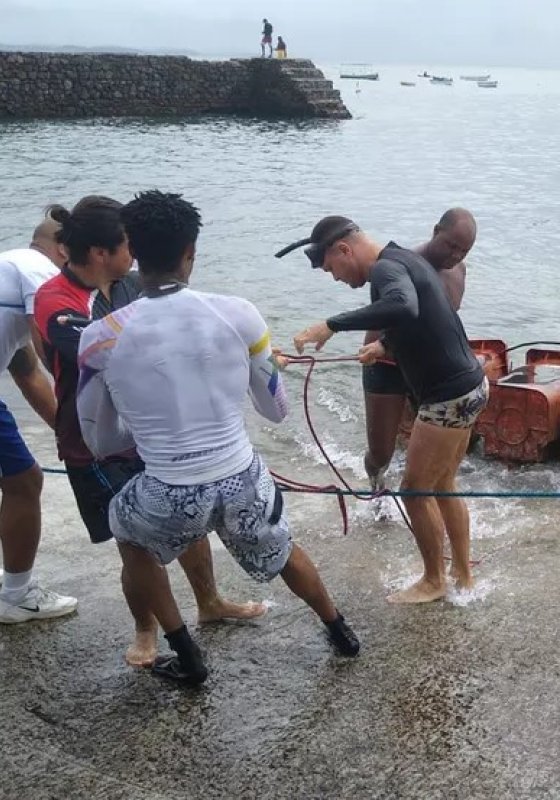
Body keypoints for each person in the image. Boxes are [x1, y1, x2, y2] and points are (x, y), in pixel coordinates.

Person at [76, 191, 359, 684]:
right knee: (283, 548)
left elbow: (99, 437)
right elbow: (275, 410)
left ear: (134, 253)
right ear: (191, 252)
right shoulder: (240, 314)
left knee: (127, 531)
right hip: (240, 477)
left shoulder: (99, 337)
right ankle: (339, 631)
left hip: (166, 488)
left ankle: (186, 654)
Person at [34, 195, 262, 667]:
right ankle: (146, 630)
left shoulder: (131, 285)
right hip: (93, 446)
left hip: (152, 437)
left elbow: (172, 323)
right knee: (132, 543)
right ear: (101, 252)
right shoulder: (56, 298)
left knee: (190, 521)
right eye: (126, 245)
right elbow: (95, 350)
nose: (134, 253)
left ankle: (210, 602)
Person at [284, 216, 488, 604]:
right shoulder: (403, 259)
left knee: (414, 489)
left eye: (331, 268)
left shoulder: (386, 269)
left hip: (447, 396)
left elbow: (401, 305)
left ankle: (433, 581)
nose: (335, 278)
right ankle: (461, 574)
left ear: (344, 250)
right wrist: (384, 346)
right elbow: (422, 315)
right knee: (443, 484)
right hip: (472, 385)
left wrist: (331, 324)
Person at [358, 208, 477, 491]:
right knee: (380, 453)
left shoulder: (459, 271)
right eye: (451, 245)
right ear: (436, 230)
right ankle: (376, 486)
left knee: (437, 456)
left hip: (430, 370)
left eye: (464, 250)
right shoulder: (399, 266)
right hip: (386, 363)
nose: (455, 255)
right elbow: (391, 316)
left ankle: (427, 492)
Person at [0, 211, 77, 624]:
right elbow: (50, 343)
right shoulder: (39, 270)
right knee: (24, 481)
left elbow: (28, 372)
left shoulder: (8, 269)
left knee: (19, 479)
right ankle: (16, 595)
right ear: (64, 249)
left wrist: (69, 436)